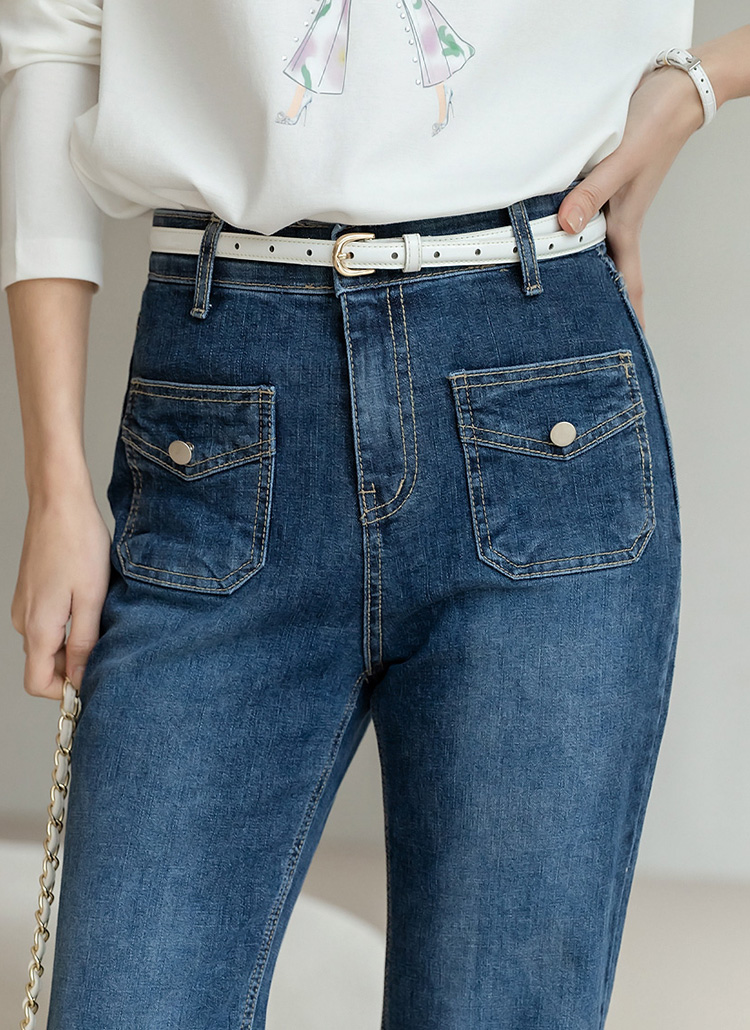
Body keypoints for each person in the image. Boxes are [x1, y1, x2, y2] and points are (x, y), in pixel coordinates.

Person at [1, 2, 748, 1027]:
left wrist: (700, 85)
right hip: (220, 411)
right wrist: (55, 483)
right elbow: (54, 44)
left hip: (538, 390)